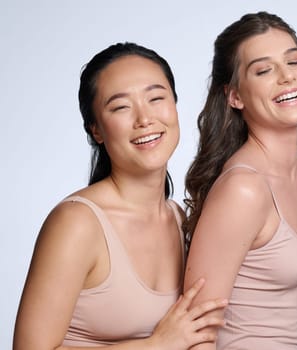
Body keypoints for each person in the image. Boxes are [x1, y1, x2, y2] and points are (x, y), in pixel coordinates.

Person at [13, 42, 227, 349]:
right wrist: (157, 345)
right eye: (121, 107)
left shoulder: (178, 218)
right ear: (96, 130)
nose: (144, 119)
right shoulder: (77, 223)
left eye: (156, 98)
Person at [183, 11, 297, 350]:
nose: (287, 77)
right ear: (235, 96)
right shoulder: (243, 189)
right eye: (264, 70)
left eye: (294, 61)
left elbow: (291, 310)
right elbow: (197, 331)